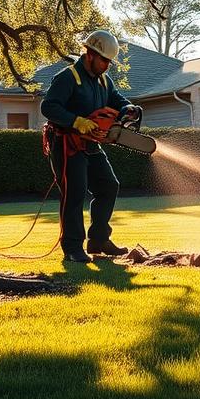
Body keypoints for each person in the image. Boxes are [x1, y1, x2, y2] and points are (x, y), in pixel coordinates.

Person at [40, 30, 142, 263]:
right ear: (90, 54)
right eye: (104, 60)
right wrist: (77, 121)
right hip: (66, 144)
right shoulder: (67, 77)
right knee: (75, 193)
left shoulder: (104, 81)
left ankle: (98, 240)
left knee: (108, 185)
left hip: (91, 144)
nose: (107, 65)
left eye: (109, 61)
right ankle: (72, 248)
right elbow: (49, 107)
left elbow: (118, 100)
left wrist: (129, 109)